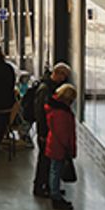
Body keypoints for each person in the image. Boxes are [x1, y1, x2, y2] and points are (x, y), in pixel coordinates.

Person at [33, 62, 72, 197]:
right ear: (57, 73)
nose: (64, 79)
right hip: (45, 131)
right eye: (64, 76)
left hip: (49, 131)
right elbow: (40, 113)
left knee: (49, 161)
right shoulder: (45, 89)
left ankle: (49, 186)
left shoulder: (51, 87)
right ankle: (40, 187)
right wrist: (43, 132)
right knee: (44, 160)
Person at [44, 84, 78, 210]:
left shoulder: (55, 108)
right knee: (56, 170)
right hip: (59, 146)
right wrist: (69, 148)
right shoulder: (61, 113)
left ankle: (55, 191)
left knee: (54, 169)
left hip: (54, 143)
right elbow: (64, 133)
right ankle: (56, 196)